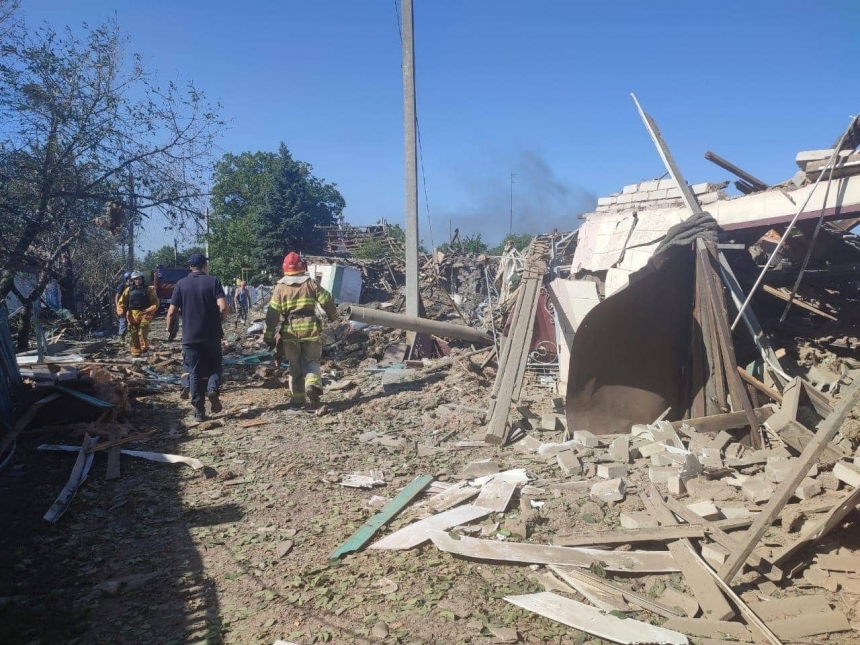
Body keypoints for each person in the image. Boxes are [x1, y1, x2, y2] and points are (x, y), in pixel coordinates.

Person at [264, 252, 338, 409]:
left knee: (294, 366)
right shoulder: (310, 283)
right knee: (311, 362)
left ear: (284, 268)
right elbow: (327, 299)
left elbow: (272, 313)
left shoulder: (280, 287)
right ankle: (312, 386)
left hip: (290, 333)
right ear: (302, 266)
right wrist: (334, 316)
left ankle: (297, 401)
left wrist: (268, 335)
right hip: (310, 330)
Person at [166, 253, 229, 421]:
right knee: (215, 366)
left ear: (190, 267)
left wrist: (169, 329)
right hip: (211, 336)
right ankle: (213, 389)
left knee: (194, 373)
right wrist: (219, 320)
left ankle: (199, 411)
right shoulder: (213, 281)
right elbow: (223, 307)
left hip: (190, 337)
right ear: (204, 266)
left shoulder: (180, 284)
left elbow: (171, 312)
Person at [116, 271, 158, 357]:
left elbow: (155, 302)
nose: (137, 281)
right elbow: (122, 301)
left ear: (142, 279)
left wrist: (150, 309)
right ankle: (136, 351)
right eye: (135, 279)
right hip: (132, 314)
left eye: (139, 279)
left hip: (145, 313)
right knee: (133, 333)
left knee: (142, 330)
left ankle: (144, 348)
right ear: (132, 280)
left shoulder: (148, 290)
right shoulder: (129, 290)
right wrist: (121, 311)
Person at [114, 271, 131, 340]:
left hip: (131, 306)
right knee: (123, 321)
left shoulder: (133, 286)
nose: (131, 280)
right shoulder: (122, 286)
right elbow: (117, 296)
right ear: (126, 279)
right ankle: (121, 337)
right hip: (123, 306)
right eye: (129, 278)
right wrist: (118, 306)